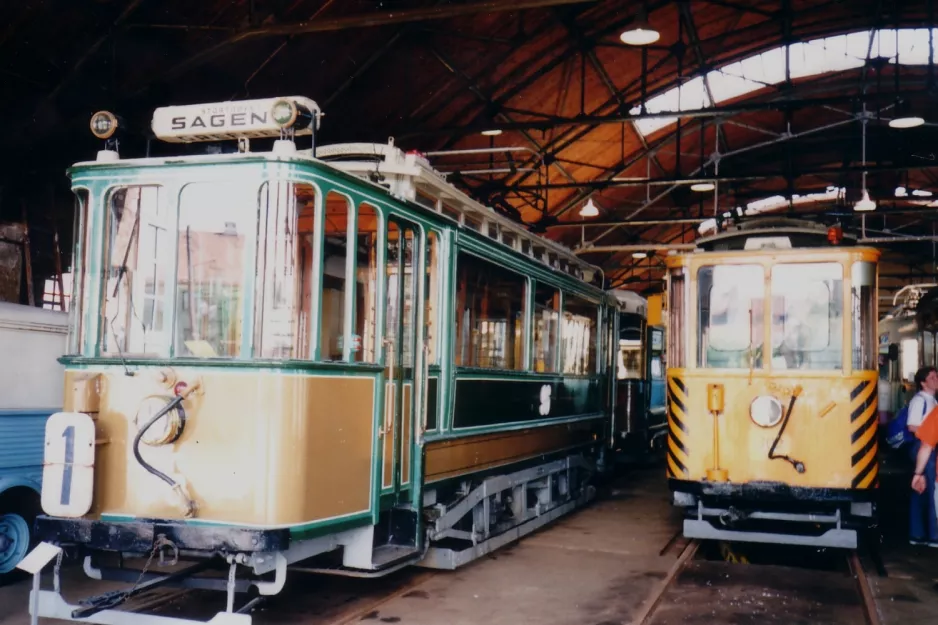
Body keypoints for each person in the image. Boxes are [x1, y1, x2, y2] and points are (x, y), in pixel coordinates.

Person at [906, 367, 938, 545]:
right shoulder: (919, 400)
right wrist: (930, 435)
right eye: (932, 377)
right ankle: (934, 535)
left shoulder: (932, 400)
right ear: (923, 383)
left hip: (928, 447)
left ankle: (917, 534)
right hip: (923, 447)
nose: (936, 379)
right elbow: (912, 426)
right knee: (931, 489)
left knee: (921, 490)